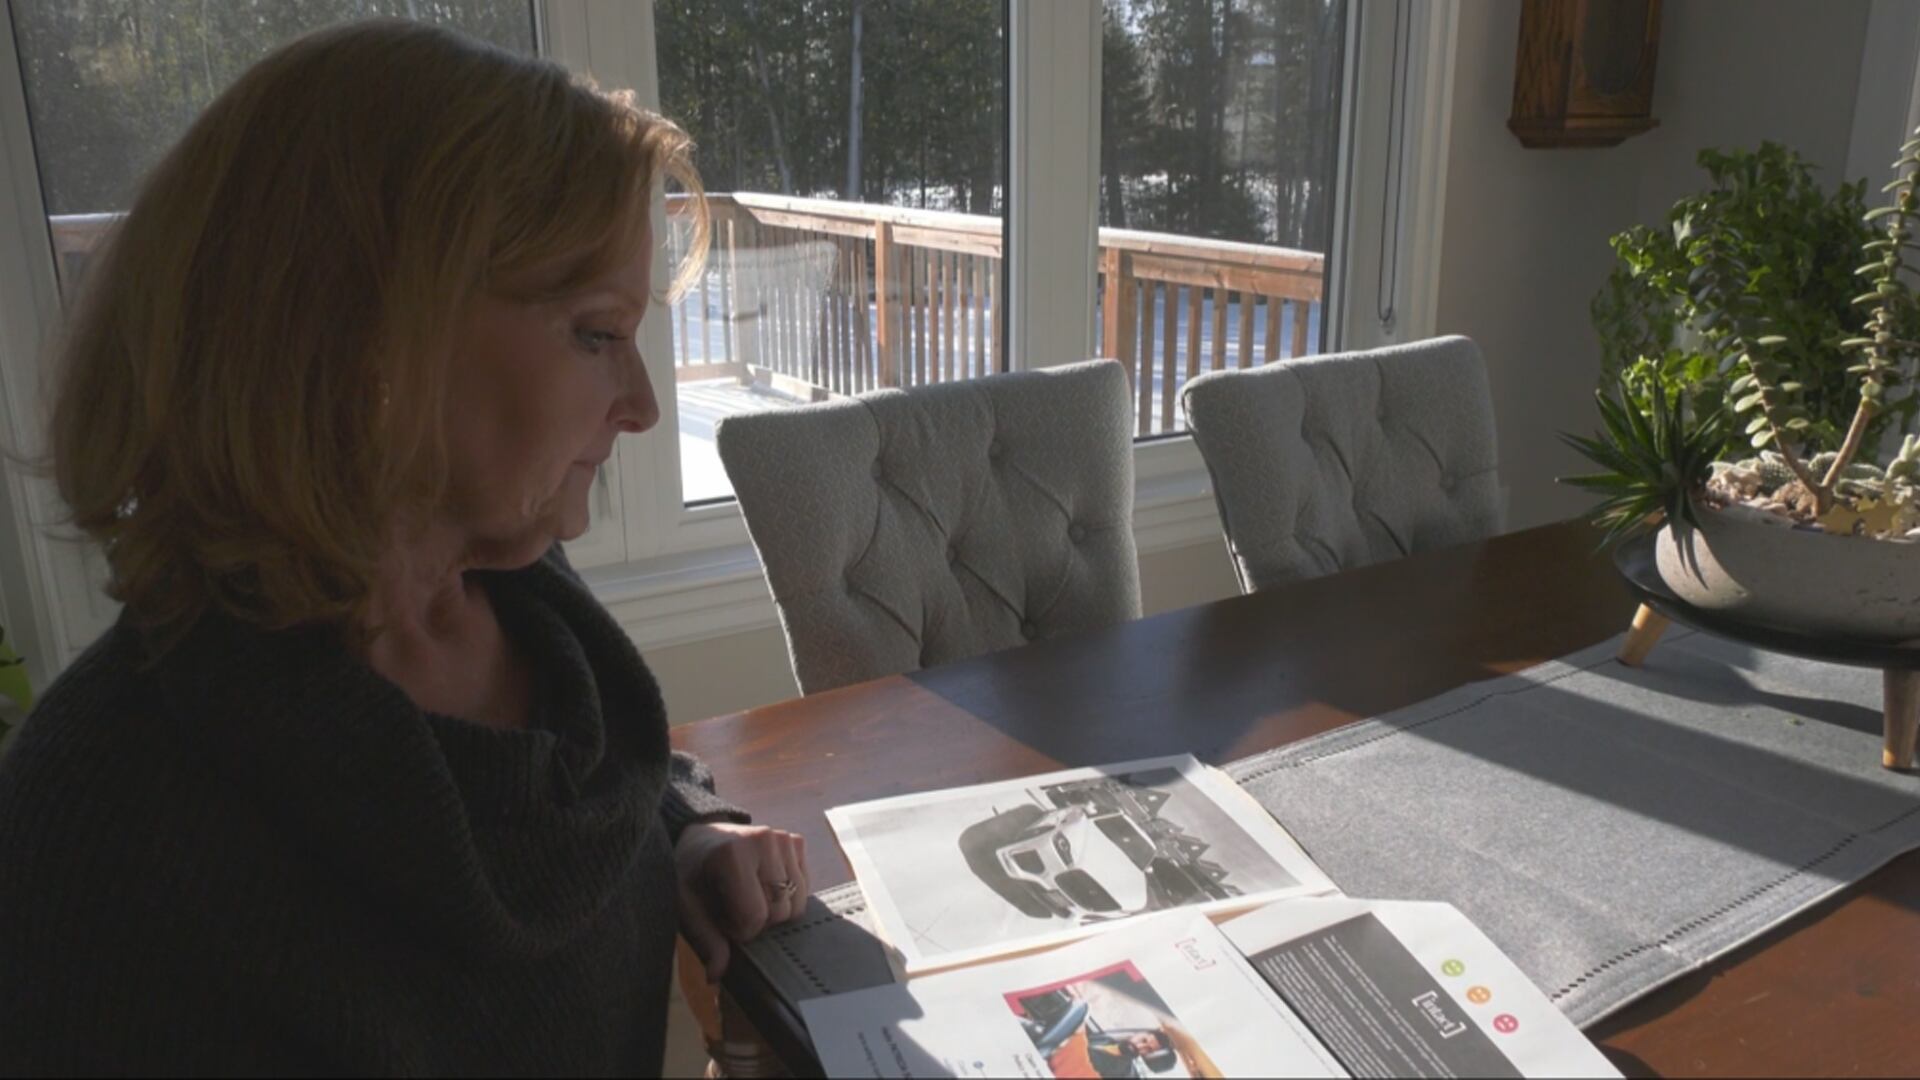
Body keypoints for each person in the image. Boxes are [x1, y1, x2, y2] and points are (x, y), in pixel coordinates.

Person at [0, 19, 808, 1075]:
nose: (643, 406)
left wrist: (684, 832)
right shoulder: (99, 830)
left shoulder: (515, 589)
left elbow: (554, 792)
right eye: (595, 333)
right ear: (362, 335)